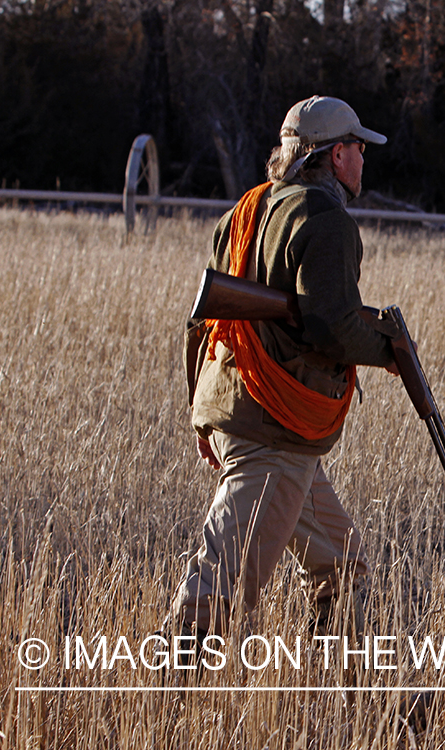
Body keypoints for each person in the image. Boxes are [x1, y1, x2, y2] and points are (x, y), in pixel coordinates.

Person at [173, 96, 396, 642]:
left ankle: (373, 704)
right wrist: (390, 350)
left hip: (241, 409)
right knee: (219, 587)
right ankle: (162, 710)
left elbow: (201, 322)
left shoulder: (245, 210)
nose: (364, 157)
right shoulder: (326, 221)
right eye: (359, 147)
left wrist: (204, 408)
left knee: (340, 568)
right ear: (336, 154)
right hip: (276, 429)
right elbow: (331, 326)